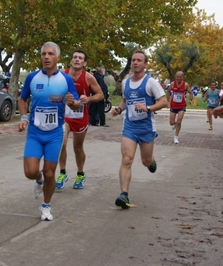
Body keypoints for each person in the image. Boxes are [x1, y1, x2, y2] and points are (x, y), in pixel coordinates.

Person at [18, 42, 81, 221]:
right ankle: (38, 181)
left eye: (50, 54)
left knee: (50, 172)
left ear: (58, 58)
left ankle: (46, 206)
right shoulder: (32, 78)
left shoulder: (66, 80)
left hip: (55, 133)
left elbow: (76, 104)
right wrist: (23, 118)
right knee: (30, 172)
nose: (46, 57)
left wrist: (72, 102)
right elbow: (22, 100)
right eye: (44, 54)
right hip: (35, 132)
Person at [111, 50, 167, 209]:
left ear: (145, 64)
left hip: (146, 128)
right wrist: (119, 110)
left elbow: (164, 102)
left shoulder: (151, 82)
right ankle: (124, 195)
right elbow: (124, 100)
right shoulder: (125, 82)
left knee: (145, 161)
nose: (135, 62)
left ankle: (151, 161)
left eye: (139, 60)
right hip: (129, 127)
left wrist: (148, 108)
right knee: (127, 159)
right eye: (133, 60)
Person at [56, 51, 104, 190]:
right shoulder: (61, 75)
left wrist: (88, 99)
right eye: (75, 57)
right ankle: (63, 172)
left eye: (80, 58)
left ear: (84, 63)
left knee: (77, 148)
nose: (77, 60)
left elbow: (100, 95)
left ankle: (80, 173)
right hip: (64, 116)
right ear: (71, 60)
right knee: (61, 143)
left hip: (80, 116)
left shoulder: (88, 77)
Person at [166, 71, 193, 144]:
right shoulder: (172, 84)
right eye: (177, 77)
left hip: (182, 105)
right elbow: (168, 92)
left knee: (179, 121)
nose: (178, 78)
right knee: (171, 123)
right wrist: (168, 101)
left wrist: (190, 100)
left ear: (182, 77)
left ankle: (176, 137)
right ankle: (174, 124)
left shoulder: (185, 85)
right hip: (173, 105)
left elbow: (191, 92)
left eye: (180, 77)